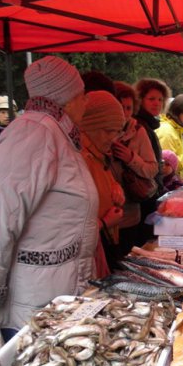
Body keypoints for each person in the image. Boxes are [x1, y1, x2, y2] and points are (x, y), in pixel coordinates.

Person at [0, 56, 99, 334]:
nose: (86, 102)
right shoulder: (34, 132)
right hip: (33, 303)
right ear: (67, 98)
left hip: (57, 294)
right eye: (82, 95)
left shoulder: (58, 134)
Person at [78, 90, 127, 276]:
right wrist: (105, 223)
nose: (113, 139)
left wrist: (115, 189)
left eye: (117, 132)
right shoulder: (79, 160)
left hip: (103, 244)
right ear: (89, 126)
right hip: (89, 254)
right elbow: (71, 226)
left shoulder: (99, 155)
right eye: (108, 131)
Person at [112, 81, 160, 256]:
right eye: (120, 107)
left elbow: (152, 169)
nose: (124, 113)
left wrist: (131, 158)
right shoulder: (100, 131)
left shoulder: (138, 131)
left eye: (129, 108)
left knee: (126, 257)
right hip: (105, 216)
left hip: (130, 212)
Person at [134, 78, 169, 244]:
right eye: (151, 99)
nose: (157, 103)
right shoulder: (140, 126)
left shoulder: (149, 125)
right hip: (143, 195)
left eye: (160, 99)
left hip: (149, 192)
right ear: (140, 100)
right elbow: (148, 164)